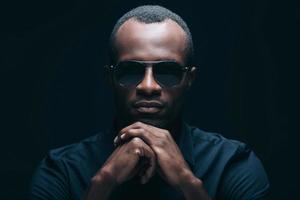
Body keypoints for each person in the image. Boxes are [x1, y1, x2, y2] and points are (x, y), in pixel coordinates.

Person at [29, 5, 270, 200]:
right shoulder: (62, 171)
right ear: (110, 78)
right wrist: (104, 182)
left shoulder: (233, 165)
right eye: (130, 71)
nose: (148, 86)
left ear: (189, 79)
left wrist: (186, 181)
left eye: (167, 72)